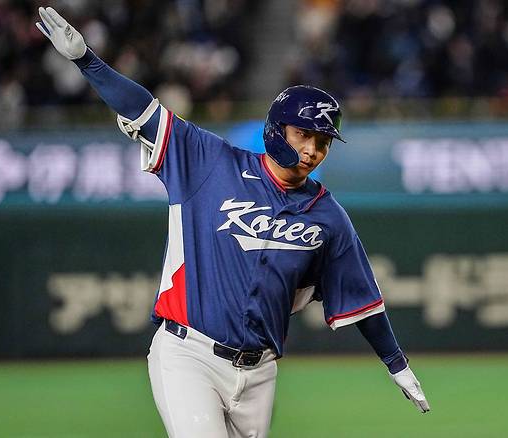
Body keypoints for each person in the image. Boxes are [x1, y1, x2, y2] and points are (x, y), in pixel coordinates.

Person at [36, 6, 429, 437]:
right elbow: (145, 110)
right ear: (277, 129)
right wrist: (87, 60)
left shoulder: (328, 217)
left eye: (323, 141)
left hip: (260, 374)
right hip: (188, 354)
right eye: (303, 134)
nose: (312, 150)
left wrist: (396, 363)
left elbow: (361, 298)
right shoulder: (210, 163)